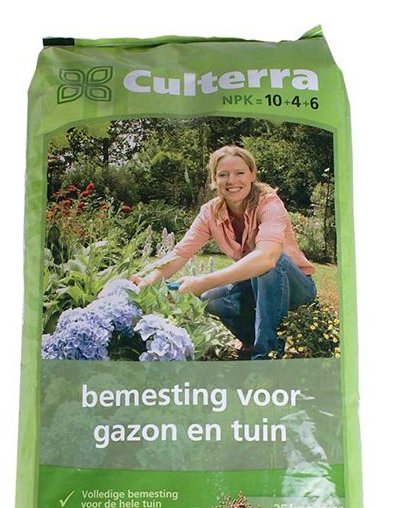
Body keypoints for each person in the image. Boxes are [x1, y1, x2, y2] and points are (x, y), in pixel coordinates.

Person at [134, 145, 317, 359]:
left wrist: (204, 281)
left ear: (252, 175)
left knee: (272, 261)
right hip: (254, 286)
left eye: (240, 173)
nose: (232, 181)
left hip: (296, 287)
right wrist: (148, 281)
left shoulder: (269, 204)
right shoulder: (211, 212)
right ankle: (251, 342)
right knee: (211, 298)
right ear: (214, 179)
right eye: (223, 175)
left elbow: (266, 259)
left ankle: (266, 356)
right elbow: (181, 252)